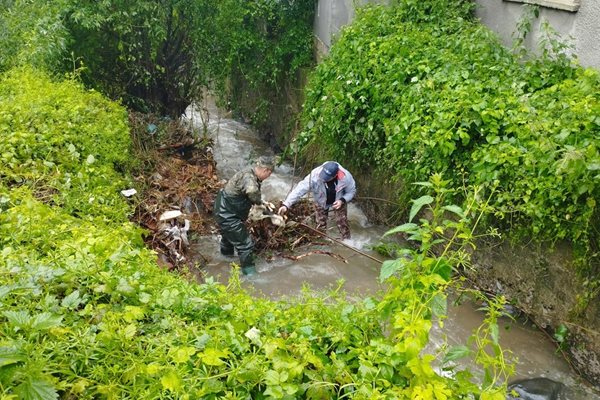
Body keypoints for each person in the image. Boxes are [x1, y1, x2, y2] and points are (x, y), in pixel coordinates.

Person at [213, 156, 275, 276]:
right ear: (265, 170)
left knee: (229, 238)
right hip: (227, 215)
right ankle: (251, 276)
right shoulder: (249, 178)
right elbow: (252, 192)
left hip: (223, 210)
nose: (268, 177)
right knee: (246, 245)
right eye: (269, 174)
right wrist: (259, 203)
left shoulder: (249, 173)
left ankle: (225, 261)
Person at [278, 161, 356, 239]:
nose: (323, 179)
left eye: (327, 178)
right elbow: (299, 190)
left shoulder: (345, 177)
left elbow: (351, 191)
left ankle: (347, 241)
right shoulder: (314, 176)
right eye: (323, 176)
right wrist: (286, 205)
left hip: (339, 200)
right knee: (320, 225)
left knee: (342, 223)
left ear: (335, 175)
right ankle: (323, 241)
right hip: (320, 200)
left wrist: (342, 200)